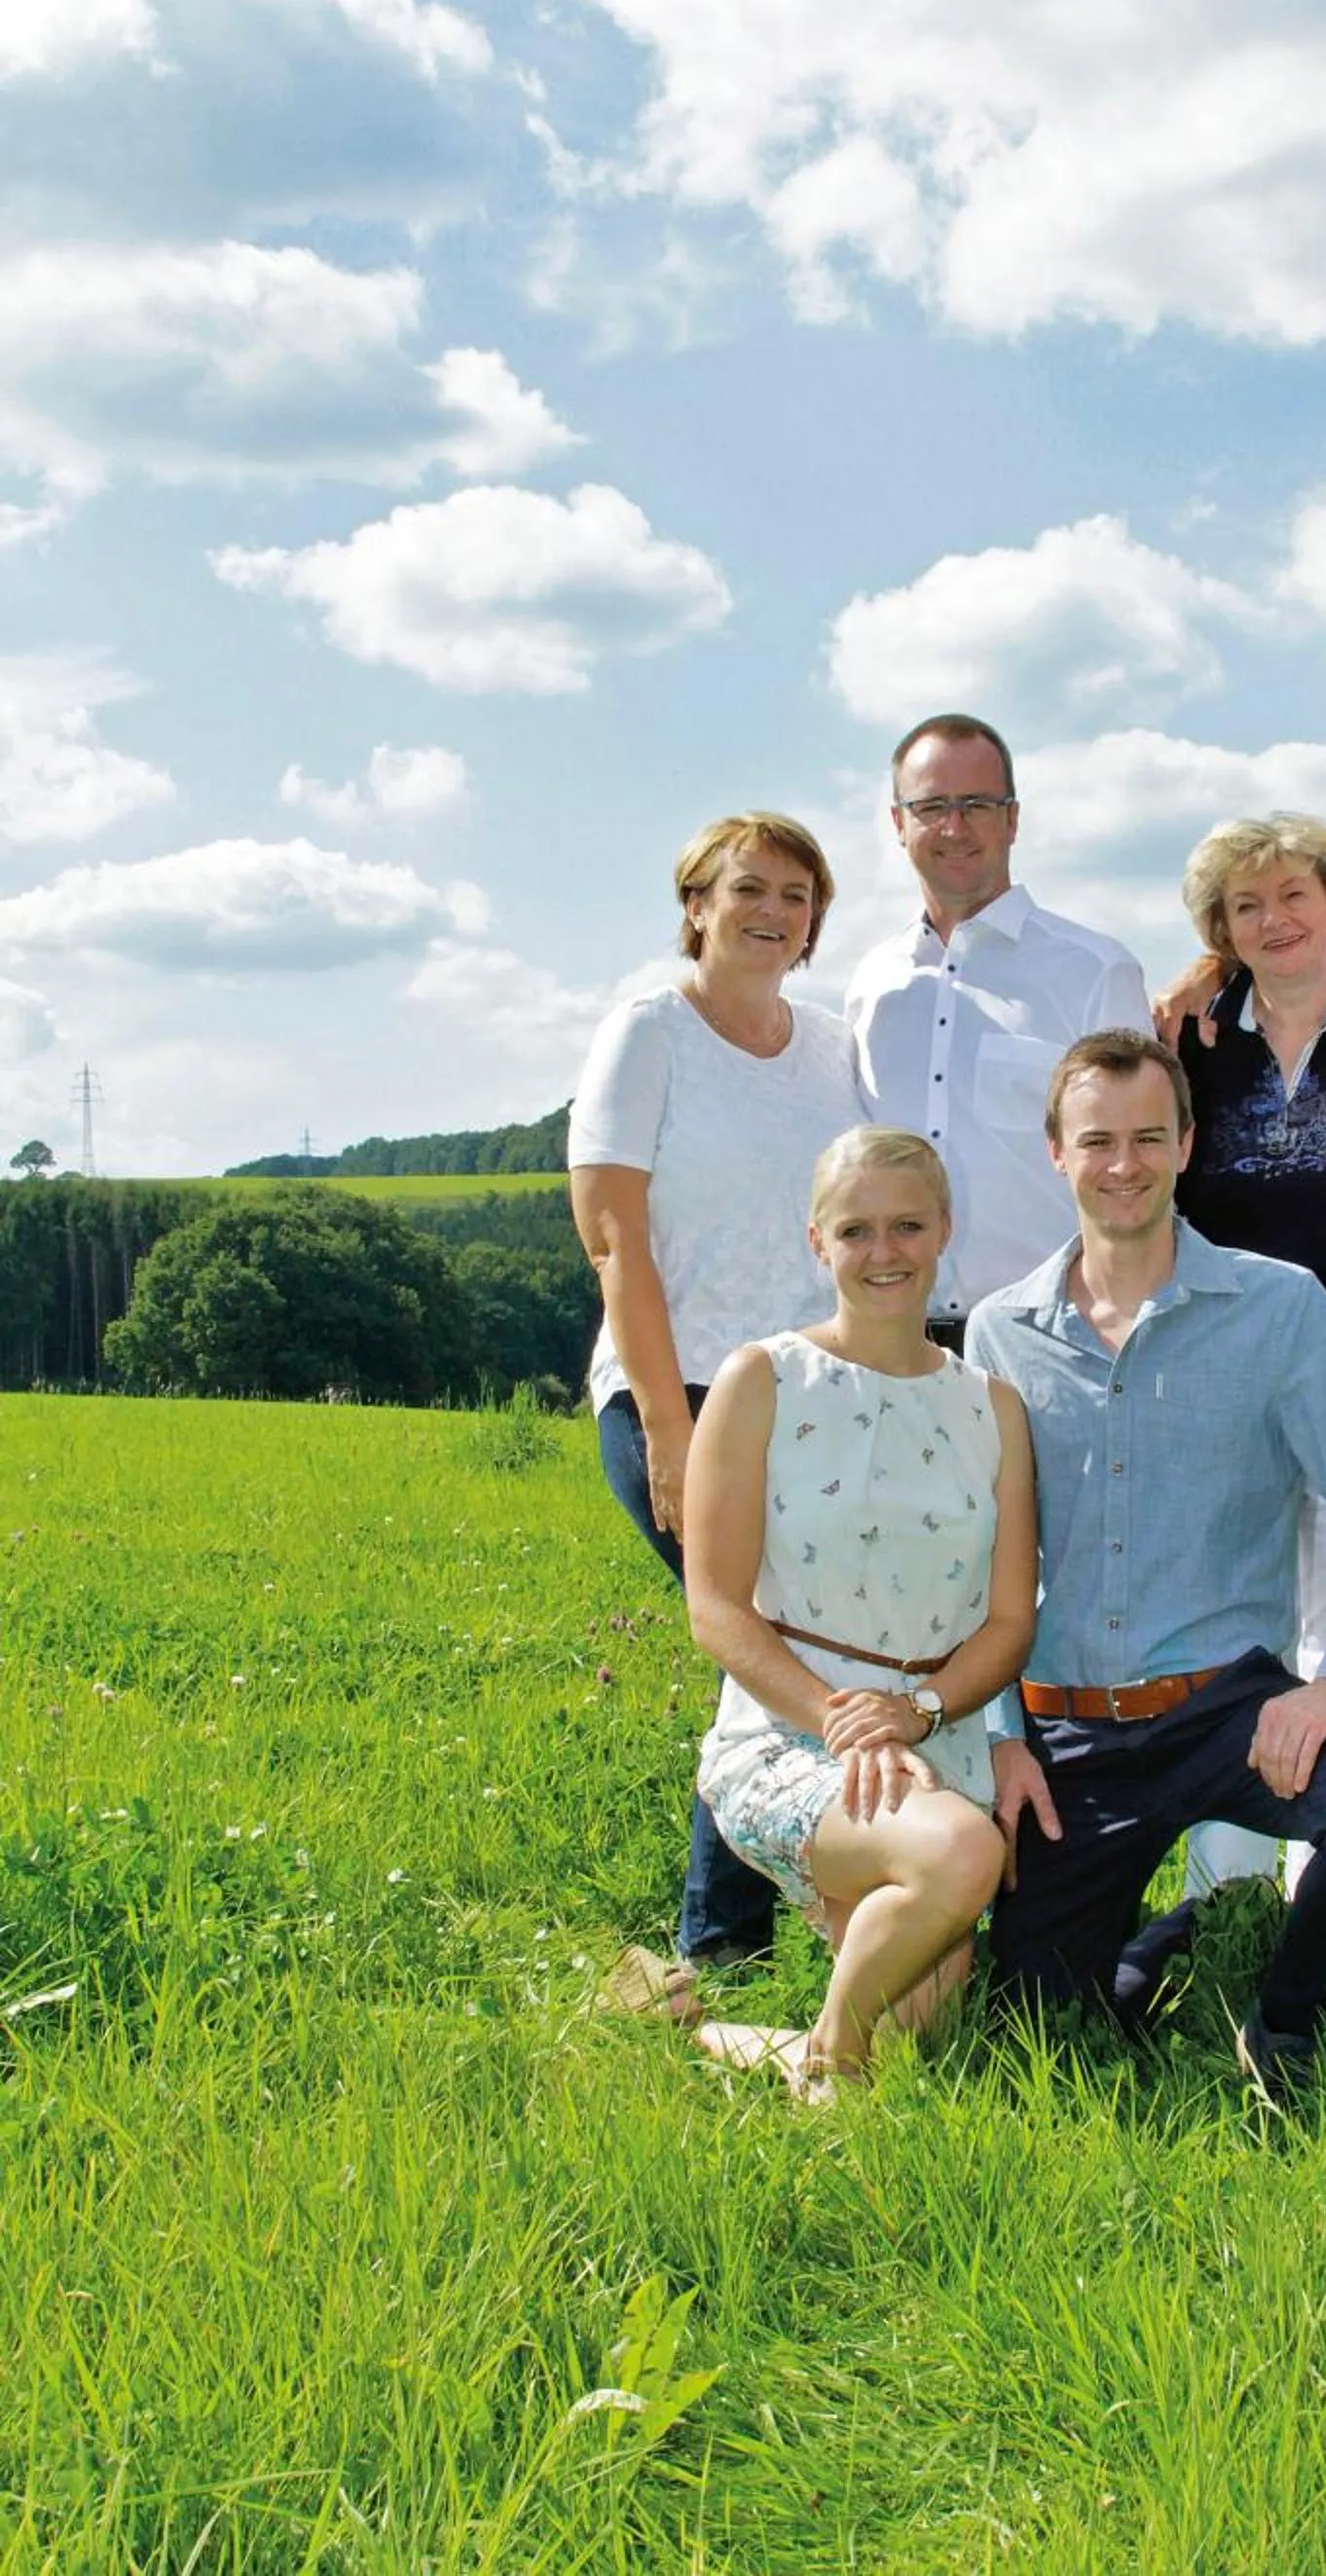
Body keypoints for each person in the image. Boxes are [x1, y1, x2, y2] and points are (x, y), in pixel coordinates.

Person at [966, 1032, 1326, 2106]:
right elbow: (975, 1554)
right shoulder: (1001, 1331)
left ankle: (1283, 2023)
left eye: (1148, 1137)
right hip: (1068, 1728)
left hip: (1226, 1708)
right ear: (1055, 1153)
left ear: (1187, 1145)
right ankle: (1174, 1934)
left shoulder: (1277, 1309)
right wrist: (998, 1740)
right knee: (1035, 2032)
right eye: (1096, 1141)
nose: (1122, 1164)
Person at [674, 1128, 1037, 2090]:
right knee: (962, 1850)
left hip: (933, 1739)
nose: (885, 1253)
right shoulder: (762, 1379)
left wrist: (915, 1715)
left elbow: (1007, 1623)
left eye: (908, 1226)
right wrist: (837, 1718)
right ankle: (828, 2068)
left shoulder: (991, 1408)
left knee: (918, 2041)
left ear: (943, 1232)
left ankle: (709, 2035)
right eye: (856, 1229)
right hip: (790, 1738)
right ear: (816, 1242)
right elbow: (712, 1604)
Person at [569, 811, 864, 1968]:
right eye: (748, 887)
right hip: (681, 1389)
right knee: (769, 1643)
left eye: (796, 895)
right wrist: (666, 1428)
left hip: (811, 1394)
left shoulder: (833, 1044)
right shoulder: (649, 1033)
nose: (772, 911)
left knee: (796, 1645)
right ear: (695, 902)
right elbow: (612, 1239)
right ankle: (724, 1944)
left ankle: (760, 1930)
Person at [1167, 813, 1326, 1900]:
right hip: (1222, 1373)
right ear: (1220, 930)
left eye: (1294, 894)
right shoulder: (1193, 1045)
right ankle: (1225, 1877)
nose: (1275, 920)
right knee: (1231, 1621)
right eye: (1246, 906)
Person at [847, 714, 1151, 1351]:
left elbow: (1140, 1168)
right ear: (898, 823)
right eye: (932, 806)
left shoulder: (1095, 970)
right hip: (898, 1344)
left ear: (1012, 819)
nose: (954, 827)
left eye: (976, 805)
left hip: (1055, 1339)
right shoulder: (873, 985)